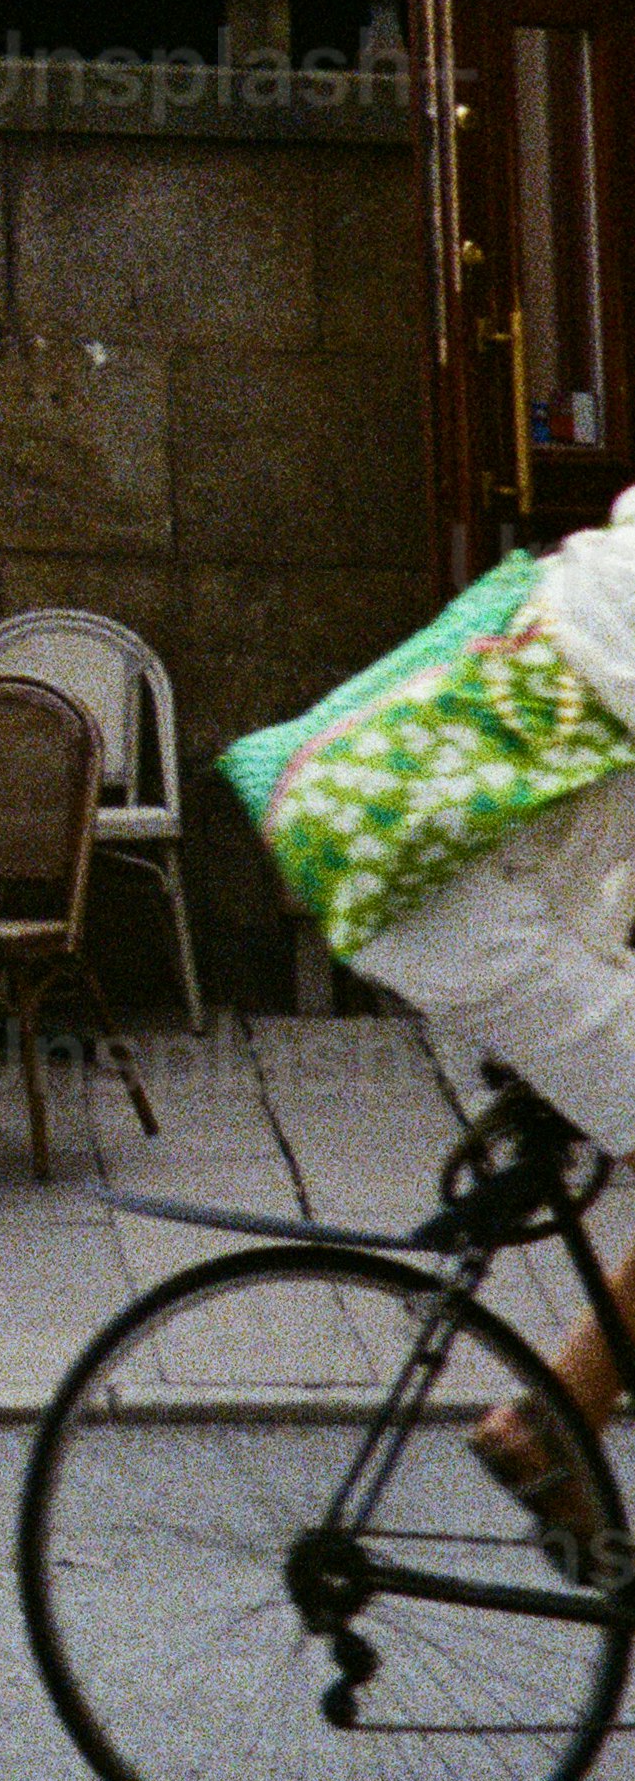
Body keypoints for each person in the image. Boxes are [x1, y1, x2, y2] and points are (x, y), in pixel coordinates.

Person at [350, 482, 635, 1482]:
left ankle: (563, 1418)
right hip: (464, 916)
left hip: (465, 895)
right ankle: (546, 1426)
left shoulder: (610, 566)